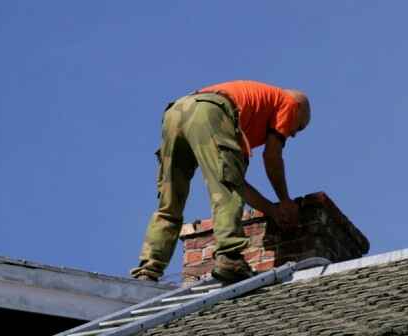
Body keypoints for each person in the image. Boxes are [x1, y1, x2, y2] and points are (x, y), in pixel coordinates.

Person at [131, 80, 311, 283]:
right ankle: (230, 257)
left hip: (176, 112)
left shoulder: (242, 125)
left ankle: (149, 269)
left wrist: (272, 210)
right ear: (299, 109)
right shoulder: (288, 102)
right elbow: (272, 157)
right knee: (225, 190)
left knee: (170, 200)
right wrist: (285, 200)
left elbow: (239, 185)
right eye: (300, 127)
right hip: (211, 110)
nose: (294, 134)